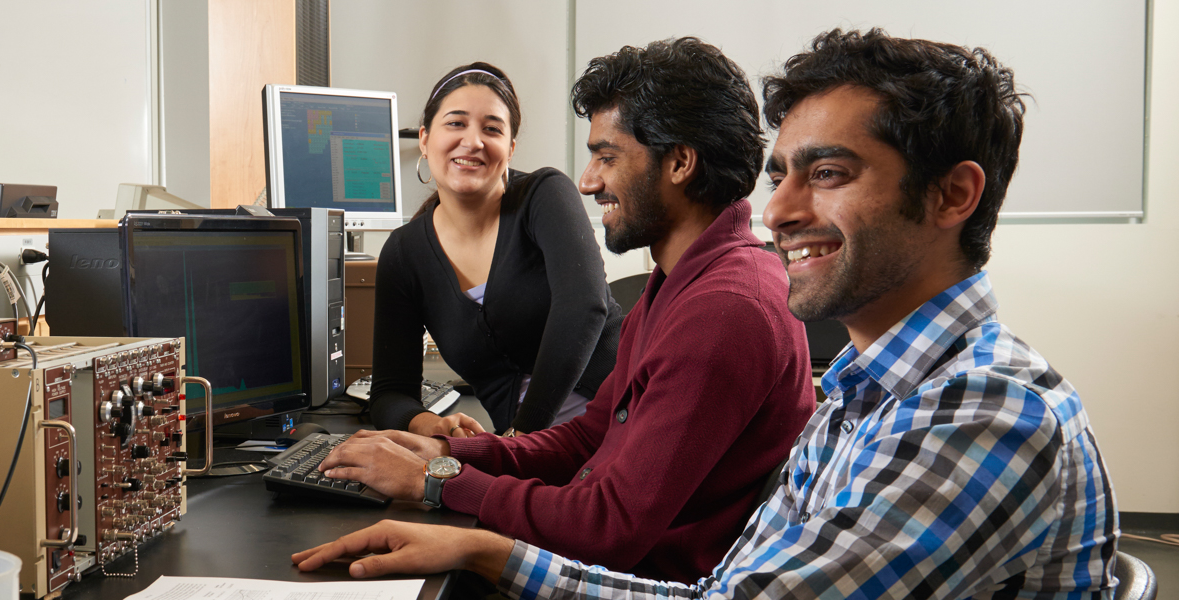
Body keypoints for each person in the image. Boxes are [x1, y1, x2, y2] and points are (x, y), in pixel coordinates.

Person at [295, 29, 1119, 599]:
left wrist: (457, 501)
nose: (781, 209)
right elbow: (601, 441)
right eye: (783, 174)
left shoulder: (983, 415)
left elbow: (632, 534)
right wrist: (474, 466)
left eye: (826, 173)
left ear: (952, 195)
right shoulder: (869, 388)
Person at [319, 38, 816, 584]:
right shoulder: (676, 284)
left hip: (640, 580)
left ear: (679, 163)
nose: (588, 180)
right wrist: (445, 451)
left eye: (607, 156)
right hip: (603, 547)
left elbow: (609, 526)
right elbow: (588, 437)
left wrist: (436, 480)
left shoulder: (724, 309)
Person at [367, 62, 624, 437]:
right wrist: (433, 425)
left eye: (492, 129)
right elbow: (390, 393)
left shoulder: (543, 195)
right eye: (455, 123)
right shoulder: (405, 254)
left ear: (511, 148)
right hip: (528, 450)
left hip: (620, 418)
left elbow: (584, 306)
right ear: (424, 139)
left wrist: (520, 440)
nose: (473, 142)